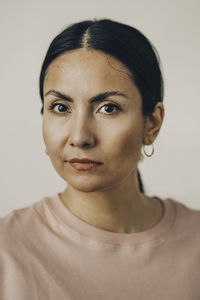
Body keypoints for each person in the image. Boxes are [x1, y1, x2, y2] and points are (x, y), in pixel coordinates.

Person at [0, 18, 200, 300]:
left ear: (152, 123)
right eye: (60, 107)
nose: (80, 137)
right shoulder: (7, 251)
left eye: (108, 108)